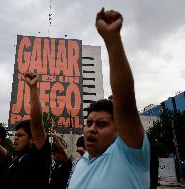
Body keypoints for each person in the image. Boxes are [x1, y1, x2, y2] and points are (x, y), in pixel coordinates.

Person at [68, 8, 150, 189]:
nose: (92, 129)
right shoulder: (82, 163)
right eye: (89, 123)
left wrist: (112, 40)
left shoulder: (129, 156)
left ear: (119, 130)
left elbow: (126, 101)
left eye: (102, 124)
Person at [3, 72, 51, 189]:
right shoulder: (17, 161)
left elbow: (37, 123)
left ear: (32, 140)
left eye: (20, 136)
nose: (15, 139)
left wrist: (33, 88)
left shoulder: (37, 157)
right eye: (15, 136)